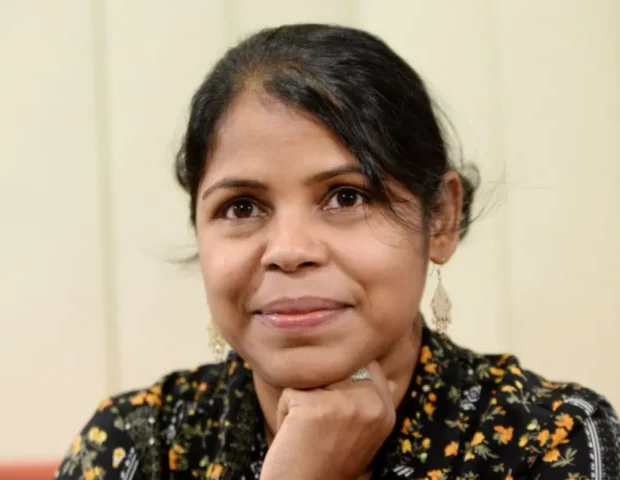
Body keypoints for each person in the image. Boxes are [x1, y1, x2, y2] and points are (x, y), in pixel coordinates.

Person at [55, 24, 619, 480]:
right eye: (242, 207)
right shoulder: (138, 444)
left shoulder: (549, 439)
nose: (289, 251)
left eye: (347, 196)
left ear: (441, 218)